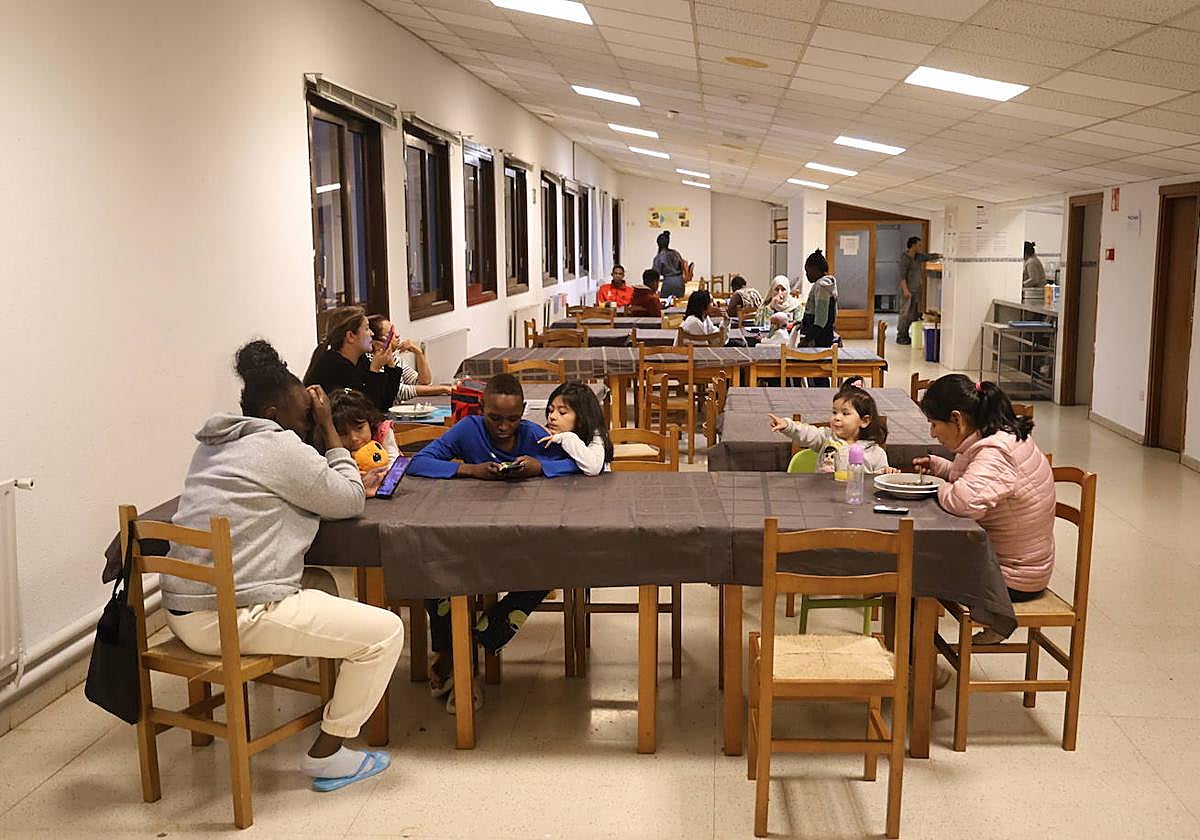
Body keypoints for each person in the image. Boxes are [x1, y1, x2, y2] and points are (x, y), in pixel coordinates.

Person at [162, 340, 403, 790]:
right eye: (301, 418)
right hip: (230, 616)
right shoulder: (278, 447)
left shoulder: (214, 444)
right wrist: (330, 427)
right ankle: (328, 755)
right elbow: (349, 499)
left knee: (325, 583)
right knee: (386, 633)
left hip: (183, 610)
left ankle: (333, 667)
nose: (305, 425)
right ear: (273, 415)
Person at [407, 374, 579, 710]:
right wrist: (470, 471)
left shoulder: (532, 434)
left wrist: (537, 467)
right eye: (495, 418)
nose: (503, 427)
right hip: (465, 533)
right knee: (435, 564)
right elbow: (419, 462)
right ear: (482, 409)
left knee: (550, 566)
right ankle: (457, 654)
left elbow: (574, 464)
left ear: (523, 412)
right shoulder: (467, 429)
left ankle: (467, 645)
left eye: (512, 419)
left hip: (521, 536)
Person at [914, 374, 1055, 644]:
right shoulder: (1000, 434)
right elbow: (979, 482)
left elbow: (964, 502)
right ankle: (918, 659)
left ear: (957, 419)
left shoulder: (996, 452)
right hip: (1022, 564)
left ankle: (917, 667)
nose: (932, 433)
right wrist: (940, 468)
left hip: (1011, 577)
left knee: (913, 569)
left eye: (934, 424)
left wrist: (935, 487)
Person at [768, 382, 896, 476]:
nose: (837, 418)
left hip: (856, 501)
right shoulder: (826, 438)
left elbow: (880, 479)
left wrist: (887, 472)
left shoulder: (875, 453)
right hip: (823, 499)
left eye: (845, 414)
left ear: (864, 421)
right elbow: (806, 432)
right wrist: (787, 425)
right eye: (834, 412)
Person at [303, 306, 403, 412]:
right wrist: (374, 370)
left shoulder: (360, 360)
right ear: (350, 336)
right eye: (367, 329)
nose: (372, 334)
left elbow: (384, 404)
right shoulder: (333, 366)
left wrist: (390, 366)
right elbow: (365, 412)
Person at [366, 315, 452, 403]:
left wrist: (419, 353)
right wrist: (442, 389)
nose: (397, 335)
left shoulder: (395, 358)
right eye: (391, 334)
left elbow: (424, 382)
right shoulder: (370, 361)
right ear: (377, 342)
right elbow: (401, 391)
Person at [538, 382, 613, 476]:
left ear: (581, 419)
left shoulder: (595, 435)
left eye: (562, 412)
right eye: (551, 410)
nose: (552, 416)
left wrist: (567, 438)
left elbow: (593, 468)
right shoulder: (548, 434)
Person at [328, 387, 400, 479]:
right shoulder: (333, 446)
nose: (354, 438)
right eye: (343, 433)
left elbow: (394, 462)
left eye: (359, 428)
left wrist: (377, 475)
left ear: (369, 421)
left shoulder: (381, 431)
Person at [898, 237, 941, 345]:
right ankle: (901, 336)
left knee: (912, 314)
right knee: (905, 314)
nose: (920, 247)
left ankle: (906, 335)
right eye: (919, 245)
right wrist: (906, 291)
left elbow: (928, 256)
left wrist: (940, 255)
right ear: (913, 246)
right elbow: (902, 277)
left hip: (915, 291)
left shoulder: (918, 257)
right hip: (907, 291)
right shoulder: (905, 259)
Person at [796, 251, 838, 348]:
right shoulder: (823, 285)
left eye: (807, 271)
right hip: (822, 334)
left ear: (815, 269)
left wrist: (807, 340)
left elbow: (821, 319)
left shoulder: (821, 286)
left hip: (819, 337)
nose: (806, 275)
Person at [652, 230, 687, 297]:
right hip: (679, 282)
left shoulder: (658, 257)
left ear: (658, 243)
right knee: (678, 303)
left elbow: (655, 275)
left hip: (668, 283)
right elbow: (682, 265)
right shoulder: (675, 253)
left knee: (665, 302)